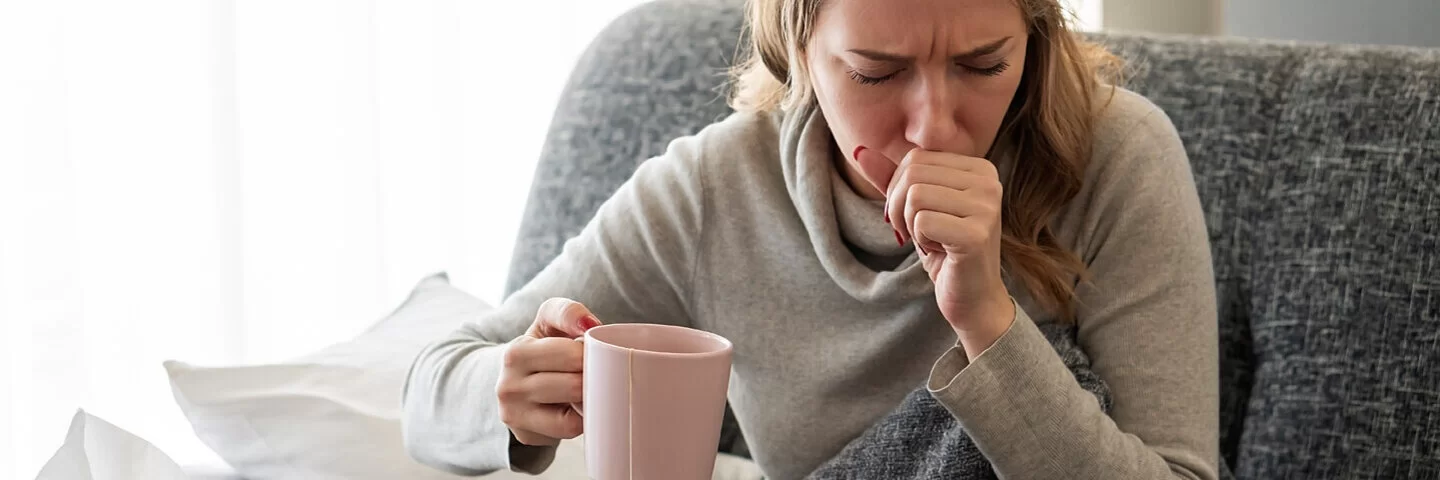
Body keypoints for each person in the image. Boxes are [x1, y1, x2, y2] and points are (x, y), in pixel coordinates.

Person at [400, 0, 1220, 477]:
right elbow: (432, 384)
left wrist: (990, 322)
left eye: (983, 65)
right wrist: (515, 402)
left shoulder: (1115, 160)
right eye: (875, 72)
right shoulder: (717, 190)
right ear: (795, 51)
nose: (935, 124)